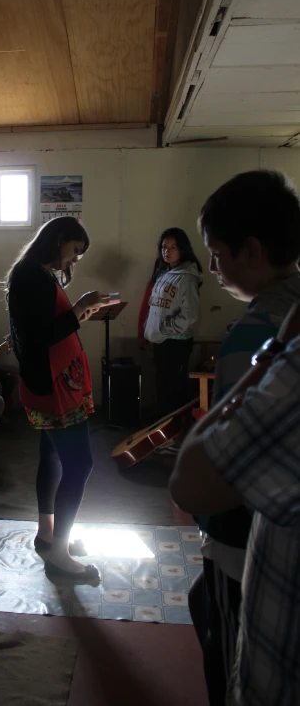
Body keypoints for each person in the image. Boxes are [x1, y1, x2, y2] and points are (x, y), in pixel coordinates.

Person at [188, 169, 300, 705]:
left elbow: (210, 476)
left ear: (251, 250)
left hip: (249, 541)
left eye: (217, 253)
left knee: (226, 649)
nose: (212, 266)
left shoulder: (258, 335)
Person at [170, 300, 300, 706]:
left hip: (276, 665)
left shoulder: (285, 359)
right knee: (199, 598)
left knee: (222, 641)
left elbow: (190, 482)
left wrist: (274, 353)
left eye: (219, 253)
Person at [6, 216, 112, 581]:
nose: (75, 259)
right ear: (59, 239)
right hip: (53, 386)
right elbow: (41, 336)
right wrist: (80, 308)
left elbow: (46, 328)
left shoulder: (35, 273)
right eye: (75, 250)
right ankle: (60, 556)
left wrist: (78, 310)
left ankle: (49, 535)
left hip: (53, 382)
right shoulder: (30, 275)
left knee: (51, 456)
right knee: (80, 465)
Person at [143, 227, 203, 453]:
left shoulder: (187, 277)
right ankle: (164, 437)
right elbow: (156, 308)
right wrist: (151, 331)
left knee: (174, 392)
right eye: (164, 248)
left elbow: (189, 316)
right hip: (161, 341)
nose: (167, 252)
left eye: (173, 247)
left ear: (183, 249)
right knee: (163, 389)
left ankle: (175, 441)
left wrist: (163, 330)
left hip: (175, 342)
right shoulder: (164, 273)